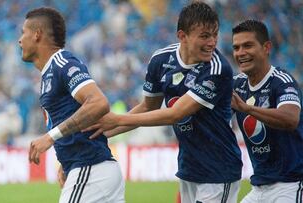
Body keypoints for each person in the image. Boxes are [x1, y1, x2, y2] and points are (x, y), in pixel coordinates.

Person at [86, 2, 242, 203]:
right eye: (204, 36)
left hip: (219, 171)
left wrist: (116, 119)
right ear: (182, 36)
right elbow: (147, 108)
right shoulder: (161, 60)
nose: (212, 42)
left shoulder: (217, 69)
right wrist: (100, 133)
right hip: (189, 169)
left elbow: (175, 114)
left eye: (215, 34)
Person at [18, 7, 124, 203]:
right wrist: (65, 162)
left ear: (37, 34)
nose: (20, 40)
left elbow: (98, 102)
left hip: (91, 169)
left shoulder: (62, 62)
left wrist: (51, 137)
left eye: (23, 32)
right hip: (90, 169)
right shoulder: (49, 72)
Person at [231, 19, 303, 203]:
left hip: (290, 184)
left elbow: (290, 118)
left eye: (248, 45)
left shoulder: (281, 81)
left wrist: (247, 108)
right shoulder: (237, 84)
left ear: (266, 47)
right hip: (259, 188)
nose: (241, 53)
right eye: (236, 47)